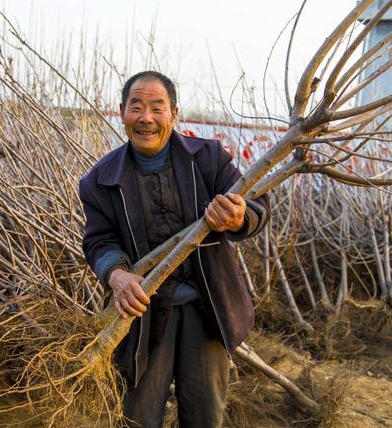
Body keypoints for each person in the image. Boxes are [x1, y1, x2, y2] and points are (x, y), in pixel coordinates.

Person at [79, 71, 270, 428]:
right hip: (144, 313)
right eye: (136, 107)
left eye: (157, 108)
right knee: (138, 417)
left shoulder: (208, 158)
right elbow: (99, 241)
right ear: (122, 112)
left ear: (174, 113)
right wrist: (118, 277)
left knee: (204, 415)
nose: (146, 118)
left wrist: (238, 216)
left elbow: (257, 203)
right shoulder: (100, 180)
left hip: (208, 308)